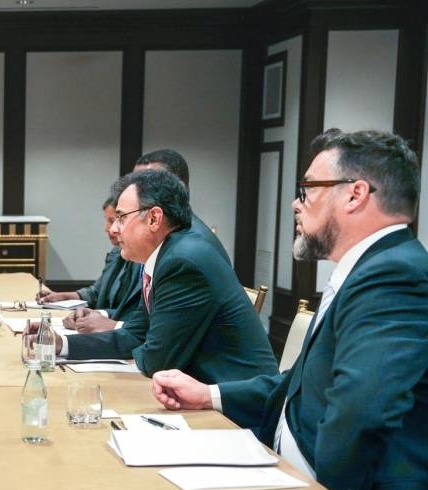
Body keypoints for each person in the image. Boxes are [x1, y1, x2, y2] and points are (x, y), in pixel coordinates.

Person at [153, 129, 428, 490]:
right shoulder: (368, 268)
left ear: (355, 194)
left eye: (309, 188)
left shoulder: (394, 275)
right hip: (280, 469)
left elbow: (360, 414)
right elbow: (299, 385)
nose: (298, 203)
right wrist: (209, 394)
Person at [38, 168, 277, 383]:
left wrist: (146, 345)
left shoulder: (182, 262)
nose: (114, 228)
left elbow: (157, 360)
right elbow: (135, 334)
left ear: (154, 218)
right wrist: (61, 343)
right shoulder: (164, 256)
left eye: (121, 217)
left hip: (233, 407)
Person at [39, 195, 142, 332]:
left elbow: (133, 315)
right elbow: (96, 292)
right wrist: (64, 296)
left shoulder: (142, 260)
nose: (108, 229)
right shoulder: (116, 253)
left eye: (113, 221)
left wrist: (99, 315)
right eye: (108, 221)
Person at [133, 148, 231, 263]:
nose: (136, 193)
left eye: (148, 185)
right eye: (135, 186)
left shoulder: (187, 249)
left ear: (179, 188)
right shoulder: (169, 233)